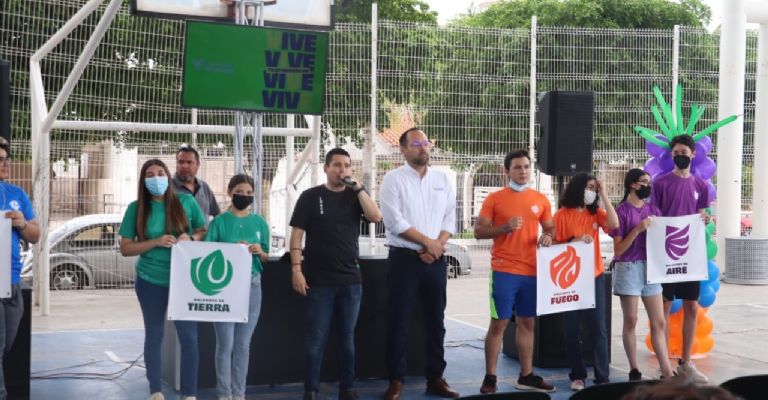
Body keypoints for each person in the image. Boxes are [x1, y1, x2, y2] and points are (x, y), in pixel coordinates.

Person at [289, 148, 382, 400]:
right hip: (318, 282)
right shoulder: (310, 197)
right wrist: (296, 269)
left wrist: (359, 189)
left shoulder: (355, 197)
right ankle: (311, 390)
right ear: (326, 168)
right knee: (315, 339)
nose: (342, 170)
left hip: (351, 282)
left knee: (346, 339)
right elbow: (296, 235)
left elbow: (375, 216)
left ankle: (347, 388)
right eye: (337, 165)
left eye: (347, 166)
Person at [379, 127, 459, 400]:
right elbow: (394, 222)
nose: (423, 147)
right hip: (404, 261)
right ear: (402, 149)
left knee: (436, 321)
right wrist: (429, 243)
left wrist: (436, 247)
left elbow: (450, 219)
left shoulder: (443, 179)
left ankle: (435, 378)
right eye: (416, 143)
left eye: (425, 143)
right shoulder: (393, 179)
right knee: (398, 321)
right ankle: (396, 381)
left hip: (434, 262)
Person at [119, 159, 206, 400]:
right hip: (149, 280)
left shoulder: (186, 202)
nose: (156, 178)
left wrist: (192, 239)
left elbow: (203, 229)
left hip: (184, 282)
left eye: (160, 173)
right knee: (154, 334)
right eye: (150, 174)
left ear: (168, 177)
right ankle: (155, 390)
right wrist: (155, 242)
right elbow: (126, 248)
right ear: (143, 180)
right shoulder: (135, 208)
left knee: (189, 338)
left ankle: (190, 393)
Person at [474, 150, 556, 394]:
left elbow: (550, 228)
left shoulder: (540, 199)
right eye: (518, 167)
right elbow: (479, 231)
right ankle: (490, 377)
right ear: (506, 171)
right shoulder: (494, 199)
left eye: (527, 167)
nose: (523, 171)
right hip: (504, 270)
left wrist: (549, 236)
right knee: (498, 324)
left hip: (532, 271)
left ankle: (526, 375)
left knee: (527, 323)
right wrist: (504, 228)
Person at [651, 134, 710, 384]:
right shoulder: (660, 183)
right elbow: (654, 215)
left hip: (691, 257)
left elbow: (703, 213)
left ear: (693, 154)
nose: (680, 156)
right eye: (676, 153)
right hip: (667, 256)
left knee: (692, 307)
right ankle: (665, 364)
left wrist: (705, 218)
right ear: (671, 155)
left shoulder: (701, 186)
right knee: (662, 309)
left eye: (684, 152)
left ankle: (686, 362)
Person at [552, 172, 619, 391]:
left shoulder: (594, 214)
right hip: (570, 280)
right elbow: (552, 245)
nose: (591, 192)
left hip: (594, 276)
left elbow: (614, 223)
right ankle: (577, 375)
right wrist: (574, 240)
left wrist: (604, 194)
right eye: (589, 187)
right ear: (578, 188)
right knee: (572, 330)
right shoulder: (561, 215)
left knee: (598, 328)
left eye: (594, 188)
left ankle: (602, 377)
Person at [205, 174, 270, 400]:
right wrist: (231, 249)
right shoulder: (219, 223)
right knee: (225, 344)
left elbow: (266, 257)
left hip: (252, 286)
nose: (244, 196)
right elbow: (207, 254)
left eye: (249, 193)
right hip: (224, 288)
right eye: (240, 192)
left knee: (243, 344)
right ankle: (224, 393)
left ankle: (239, 393)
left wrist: (259, 251)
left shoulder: (260, 223)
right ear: (231, 192)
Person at [611, 168, 674, 381]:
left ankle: (666, 370)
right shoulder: (621, 212)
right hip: (628, 267)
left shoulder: (654, 210)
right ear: (632, 185)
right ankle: (634, 368)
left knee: (659, 321)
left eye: (649, 182)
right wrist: (637, 229)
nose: (647, 186)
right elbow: (618, 250)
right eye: (643, 182)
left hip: (651, 268)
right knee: (631, 319)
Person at [0, 137, 40, 400]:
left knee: (7, 342)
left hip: (10, 279)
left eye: (5, 159)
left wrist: (22, 224)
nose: (4, 165)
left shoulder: (17, 194)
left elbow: (36, 235)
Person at [173, 146, 220, 221]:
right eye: (181, 162)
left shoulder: (204, 187)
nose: (184, 166)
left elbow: (216, 213)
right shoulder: (168, 188)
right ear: (176, 164)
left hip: (204, 233)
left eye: (189, 162)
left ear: (198, 165)